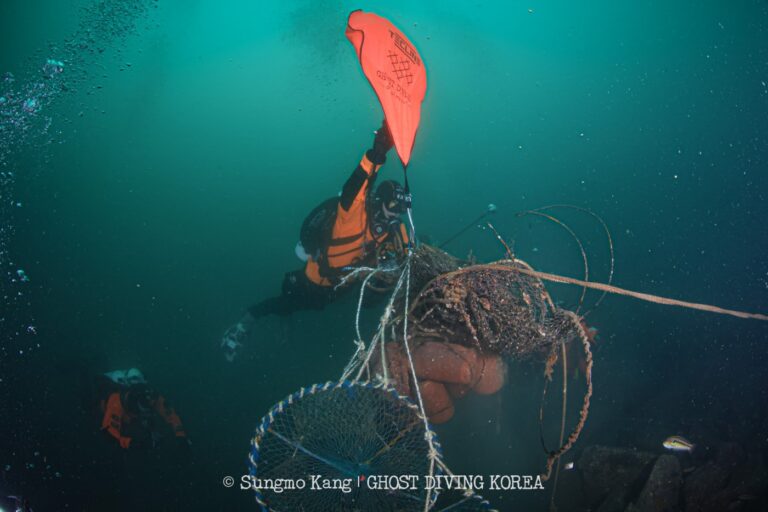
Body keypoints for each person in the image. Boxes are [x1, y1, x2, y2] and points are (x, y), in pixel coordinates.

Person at [221, 121, 410, 361]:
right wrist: (377, 152)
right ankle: (245, 322)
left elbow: (406, 253)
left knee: (313, 308)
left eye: (401, 209)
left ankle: (286, 322)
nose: (395, 213)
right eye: (393, 205)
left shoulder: (393, 231)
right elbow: (357, 184)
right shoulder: (353, 212)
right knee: (284, 304)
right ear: (379, 201)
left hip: (337, 290)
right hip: (310, 283)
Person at [96, 368, 188, 450]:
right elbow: (110, 433)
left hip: (135, 423)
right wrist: (131, 443)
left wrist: (180, 435)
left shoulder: (151, 397)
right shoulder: (117, 401)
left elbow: (170, 414)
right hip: (125, 423)